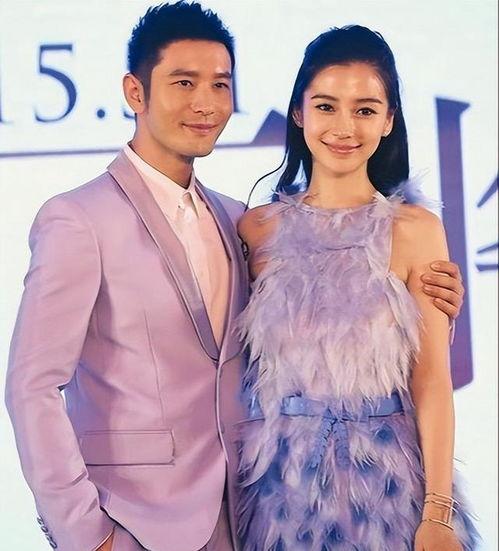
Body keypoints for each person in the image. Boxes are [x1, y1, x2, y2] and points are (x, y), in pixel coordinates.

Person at [4, 3, 464, 551]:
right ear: (135, 92)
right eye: (184, 82)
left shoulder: (233, 220)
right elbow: (31, 386)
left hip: (263, 509)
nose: (205, 102)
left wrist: (428, 310)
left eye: (220, 85)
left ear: (389, 120)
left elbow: (392, 360)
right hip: (150, 520)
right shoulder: (83, 218)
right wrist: (83, 533)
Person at [236, 26, 478, 551]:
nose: (344, 127)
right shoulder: (255, 229)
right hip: (281, 497)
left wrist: (438, 512)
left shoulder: (416, 230)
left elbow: (432, 380)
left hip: (389, 492)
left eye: (365, 110)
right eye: (326, 106)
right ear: (298, 113)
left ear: (389, 121)